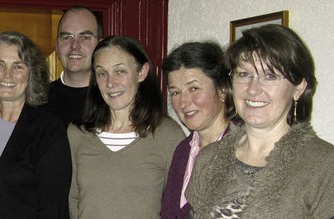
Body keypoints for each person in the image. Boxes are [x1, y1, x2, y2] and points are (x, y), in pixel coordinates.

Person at [186, 24, 334, 218]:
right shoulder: (209, 159)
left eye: (270, 75)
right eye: (244, 74)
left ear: (298, 88)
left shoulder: (324, 165)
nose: (253, 89)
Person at [68, 35, 185, 218]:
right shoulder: (77, 134)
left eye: (120, 71)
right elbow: (73, 200)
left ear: (142, 72)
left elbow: (178, 207)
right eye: (102, 73)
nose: (110, 83)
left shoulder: (168, 135)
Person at [0, 31, 72, 218]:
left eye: (18, 66)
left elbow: (53, 208)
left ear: (31, 73)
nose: (7, 74)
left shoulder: (48, 129)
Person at [160, 41, 235, 219]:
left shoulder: (244, 149)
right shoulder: (183, 150)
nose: (183, 103)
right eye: (175, 92)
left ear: (223, 89)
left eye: (194, 88)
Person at [47, 6, 103, 126]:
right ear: (57, 46)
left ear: (100, 45)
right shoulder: (37, 101)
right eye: (67, 37)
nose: (74, 45)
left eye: (85, 37)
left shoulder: (114, 99)